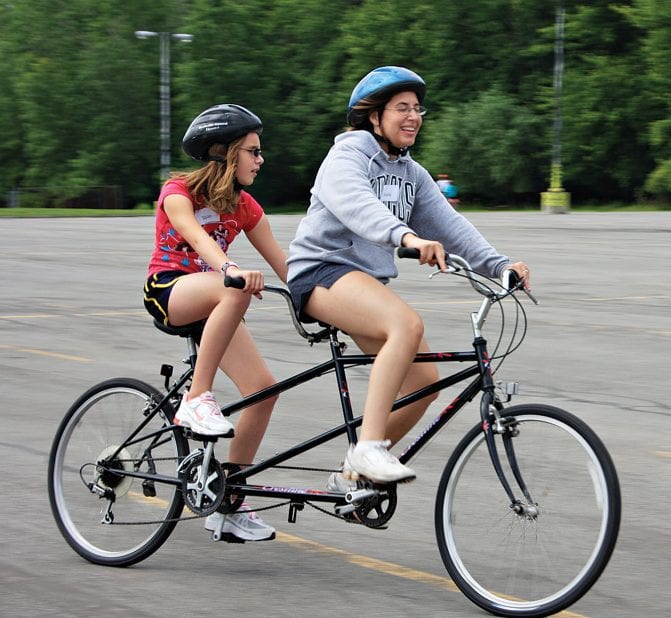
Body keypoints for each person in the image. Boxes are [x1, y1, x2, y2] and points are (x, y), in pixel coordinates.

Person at [287, 66, 531, 489]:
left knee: (424, 384)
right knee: (406, 323)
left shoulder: (411, 173)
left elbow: (451, 226)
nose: (413, 116)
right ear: (373, 116)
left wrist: (500, 265)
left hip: (364, 284)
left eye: (418, 109)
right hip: (322, 271)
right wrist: (406, 237)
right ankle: (368, 448)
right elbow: (357, 205)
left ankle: (350, 477)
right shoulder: (347, 156)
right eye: (402, 108)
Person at [143, 103, 288, 542]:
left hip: (216, 296)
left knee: (264, 392)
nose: (260, 160)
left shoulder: (245, 207)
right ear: (225, 154)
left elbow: (287, 267)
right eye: (253, 151)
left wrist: (325, 304)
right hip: (170, 290)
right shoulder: (178, 191)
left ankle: (227, 505)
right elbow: (193, 234)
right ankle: (196, 398)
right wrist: (228, 268)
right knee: (234, 287)